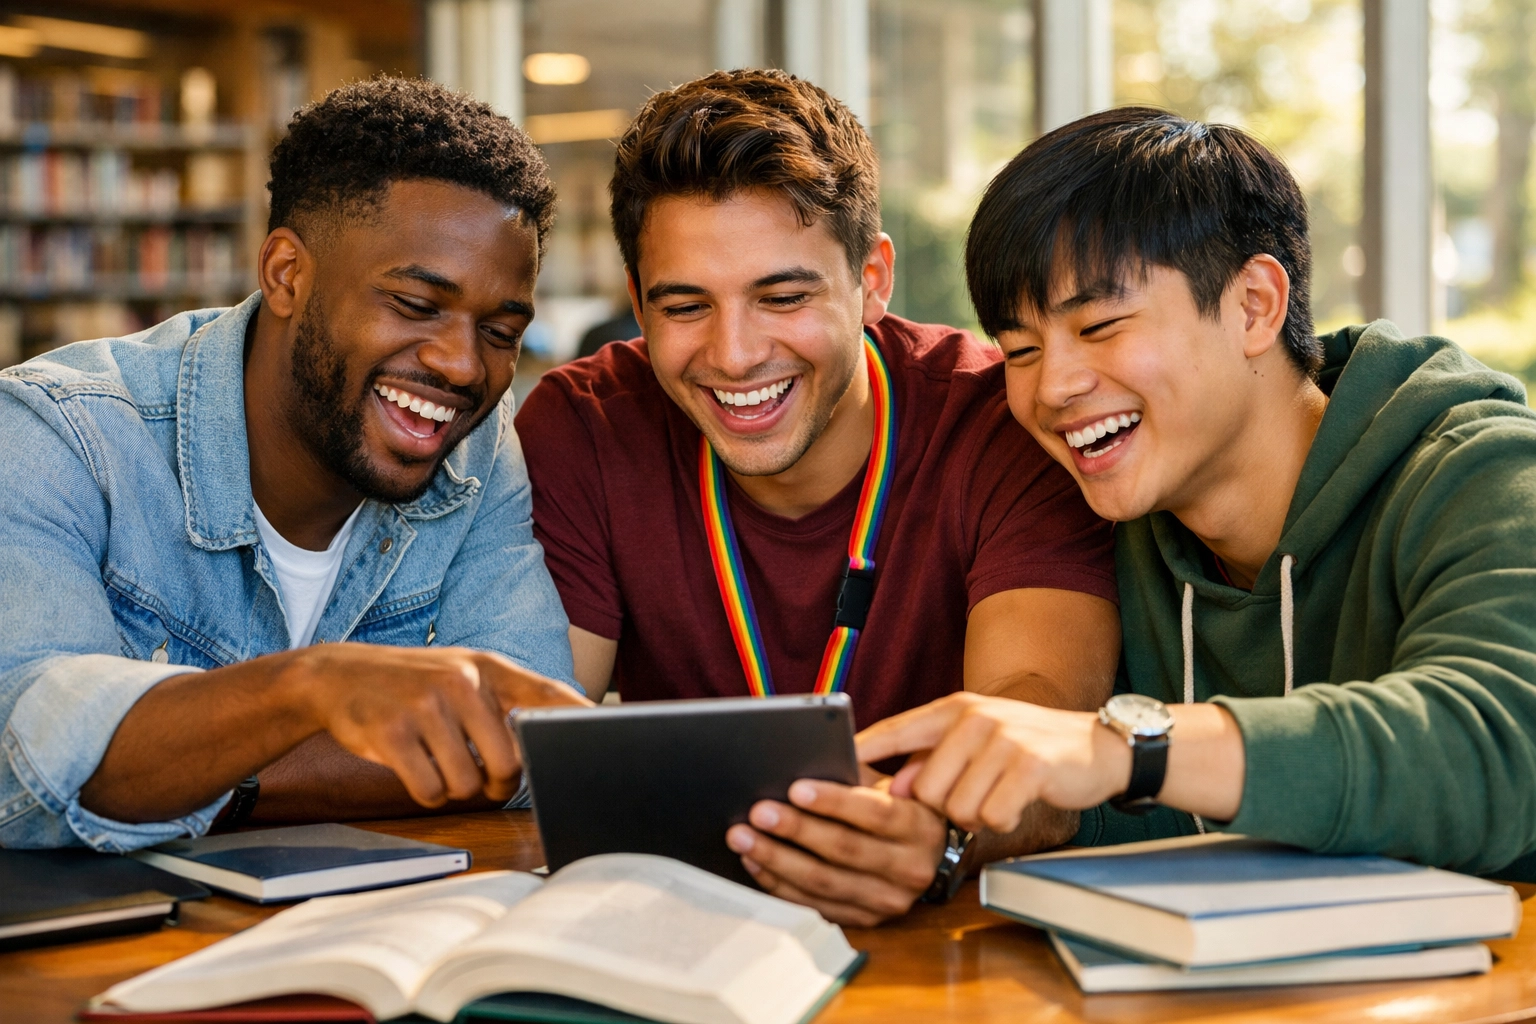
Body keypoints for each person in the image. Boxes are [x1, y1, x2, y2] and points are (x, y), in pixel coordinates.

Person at [859, 106, 1536, 881]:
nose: (1053, 387)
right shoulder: (1100, 529)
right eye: (1020, 349)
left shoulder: (1486, 475)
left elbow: (1497, 749)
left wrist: (1126, 749)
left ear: (1254, 305)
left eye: (1102, 325)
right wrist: (926, 835)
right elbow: (1079, 811)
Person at [515, 69, 1121, 925]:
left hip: (943, 944)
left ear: (873, 278)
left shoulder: (997, 421)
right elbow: (539, 729)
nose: (732, 355)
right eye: (685, 306)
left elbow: (1043, 714)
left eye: (784, 296)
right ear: (637, 303)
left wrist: (936, 831)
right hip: (673, 929)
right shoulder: (587, 425)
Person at [0, 78, 589, 852]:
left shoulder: (477, 448)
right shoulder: (54, 433)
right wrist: (313, 689)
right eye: (415, 305)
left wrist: (204, 765)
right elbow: (29, 768)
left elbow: (527, 748)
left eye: (501, 330)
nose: (461, 365)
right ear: (286, 274)